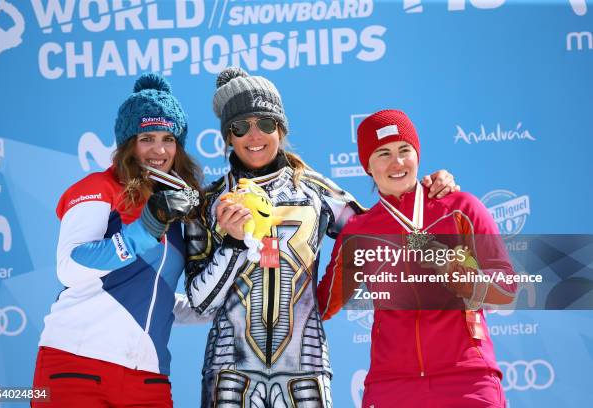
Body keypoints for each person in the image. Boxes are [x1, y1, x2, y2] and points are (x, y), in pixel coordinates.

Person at [186, 68, 459, 408]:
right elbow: (201, 302)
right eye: (241, 126)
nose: (254, 135)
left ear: (280, 128)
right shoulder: (209, 202)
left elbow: (382, 234)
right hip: (231, 369)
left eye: (266, 124)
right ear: (228, 135)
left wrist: (424, 191)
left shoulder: (316, 190)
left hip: (306, 366)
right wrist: (234, 243)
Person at [317, 109, 517, 408]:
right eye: (383, 153)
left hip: (467, 381)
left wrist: (459, 273)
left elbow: (507, 290)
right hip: (392, 387)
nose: (396, 163)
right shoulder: (360, 231)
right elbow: (321, 303)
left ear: (417, 155)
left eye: (404, 150)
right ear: (367, 166)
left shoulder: (460, 208)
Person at [32, 73, 205, 407]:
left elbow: (157, 298)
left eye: (169, 138)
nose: (159, 149)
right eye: (147, 137)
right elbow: (70, 268)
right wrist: (146, 228)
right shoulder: (99, 188)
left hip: (149, 377)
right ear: (129, 142)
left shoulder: (173, 206)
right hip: (76, 365)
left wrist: (229, 304)